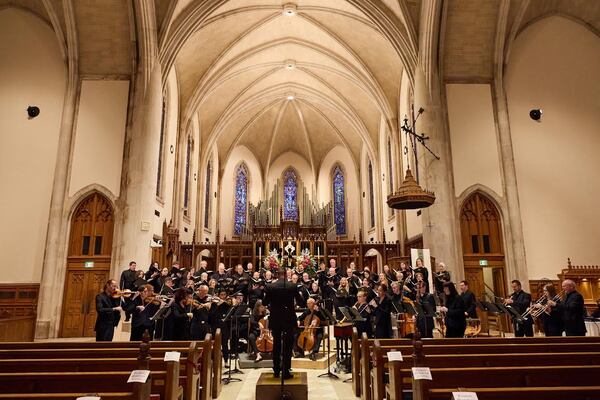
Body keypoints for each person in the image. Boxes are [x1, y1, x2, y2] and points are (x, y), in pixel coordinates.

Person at [263, 267, 303, 379]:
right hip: (289, 318)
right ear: (286, 275)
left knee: (276, 344)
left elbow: (265, 302)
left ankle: (276, 370)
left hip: (276, 319)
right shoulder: (292, 286)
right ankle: (286, 371)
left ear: (277, 275)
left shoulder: (271, 286)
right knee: (288, 345)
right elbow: (300, 301)